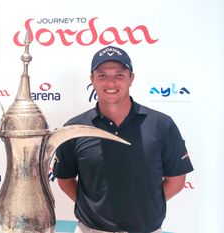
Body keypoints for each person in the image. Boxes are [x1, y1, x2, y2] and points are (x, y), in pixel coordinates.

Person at [53, 46, 194, 233]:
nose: (110, 83)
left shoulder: (161, 124)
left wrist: (144, 209)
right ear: (92, 80)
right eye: (102, 75)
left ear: (131, 79)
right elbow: (64, 179)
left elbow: (176, 180)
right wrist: (94, 209)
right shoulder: (75, 128)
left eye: (119, 75)